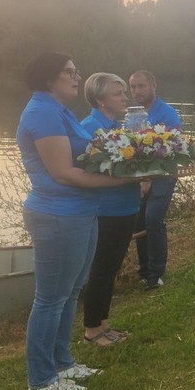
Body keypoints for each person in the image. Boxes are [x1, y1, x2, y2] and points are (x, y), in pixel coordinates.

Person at [17, 52, 138, 390]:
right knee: (50, 298)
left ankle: (63, 364)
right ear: (48, 77)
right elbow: (64, 173)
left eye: (76, 71)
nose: (76, 77)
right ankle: (40, 381)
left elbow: (88, 160)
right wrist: (125, 181)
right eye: (69, 72)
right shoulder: (42, 113)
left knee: (69, 293)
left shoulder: (61, 111)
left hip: (81, 211)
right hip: (57, 215)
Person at [80, 73, 144, 347]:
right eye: (118, 93)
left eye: (123, 92)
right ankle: (92, 329)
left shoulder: (118, 125)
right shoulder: (91, 128)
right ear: (100, 99)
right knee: (101, 269)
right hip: (107, 210)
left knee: (112, 268)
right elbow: (94, 171)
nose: (124, 97)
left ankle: (104, 324)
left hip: (126, 206)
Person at [129, 70, 182, 290]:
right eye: (132, 87)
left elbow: (171, 150)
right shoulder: (134, 115)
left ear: (153, 86)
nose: (136, 91)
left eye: (141, 86)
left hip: (163, 176)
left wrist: (149, 177)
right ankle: (144, 270)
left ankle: (156, 274)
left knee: (153, 220)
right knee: (139, 222)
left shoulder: (167, 114)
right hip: (140, 178)